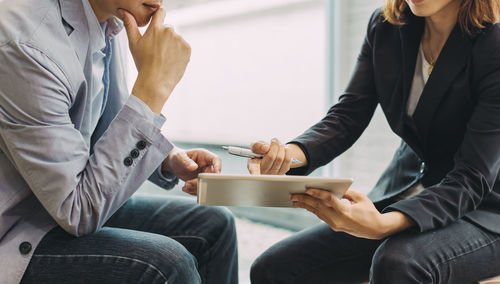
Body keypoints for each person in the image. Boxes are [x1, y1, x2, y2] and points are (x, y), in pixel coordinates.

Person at [247, 0, 500, 283]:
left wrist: (383, 224)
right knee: (274, 268)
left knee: (398, 263)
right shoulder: (386, 26)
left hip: (486, 209)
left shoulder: (494, 44)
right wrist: (289, 155)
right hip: (408, 188)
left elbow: (472, 177)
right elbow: (348, 115)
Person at [0, 0, 238, 283]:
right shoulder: (27, 44)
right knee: (166, 264)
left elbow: (110, 123)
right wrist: (154, 86)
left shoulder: (110, 22)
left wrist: (169, 158)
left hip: (52, 205)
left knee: (214, 225)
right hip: (15, 228)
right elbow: (77, 211)